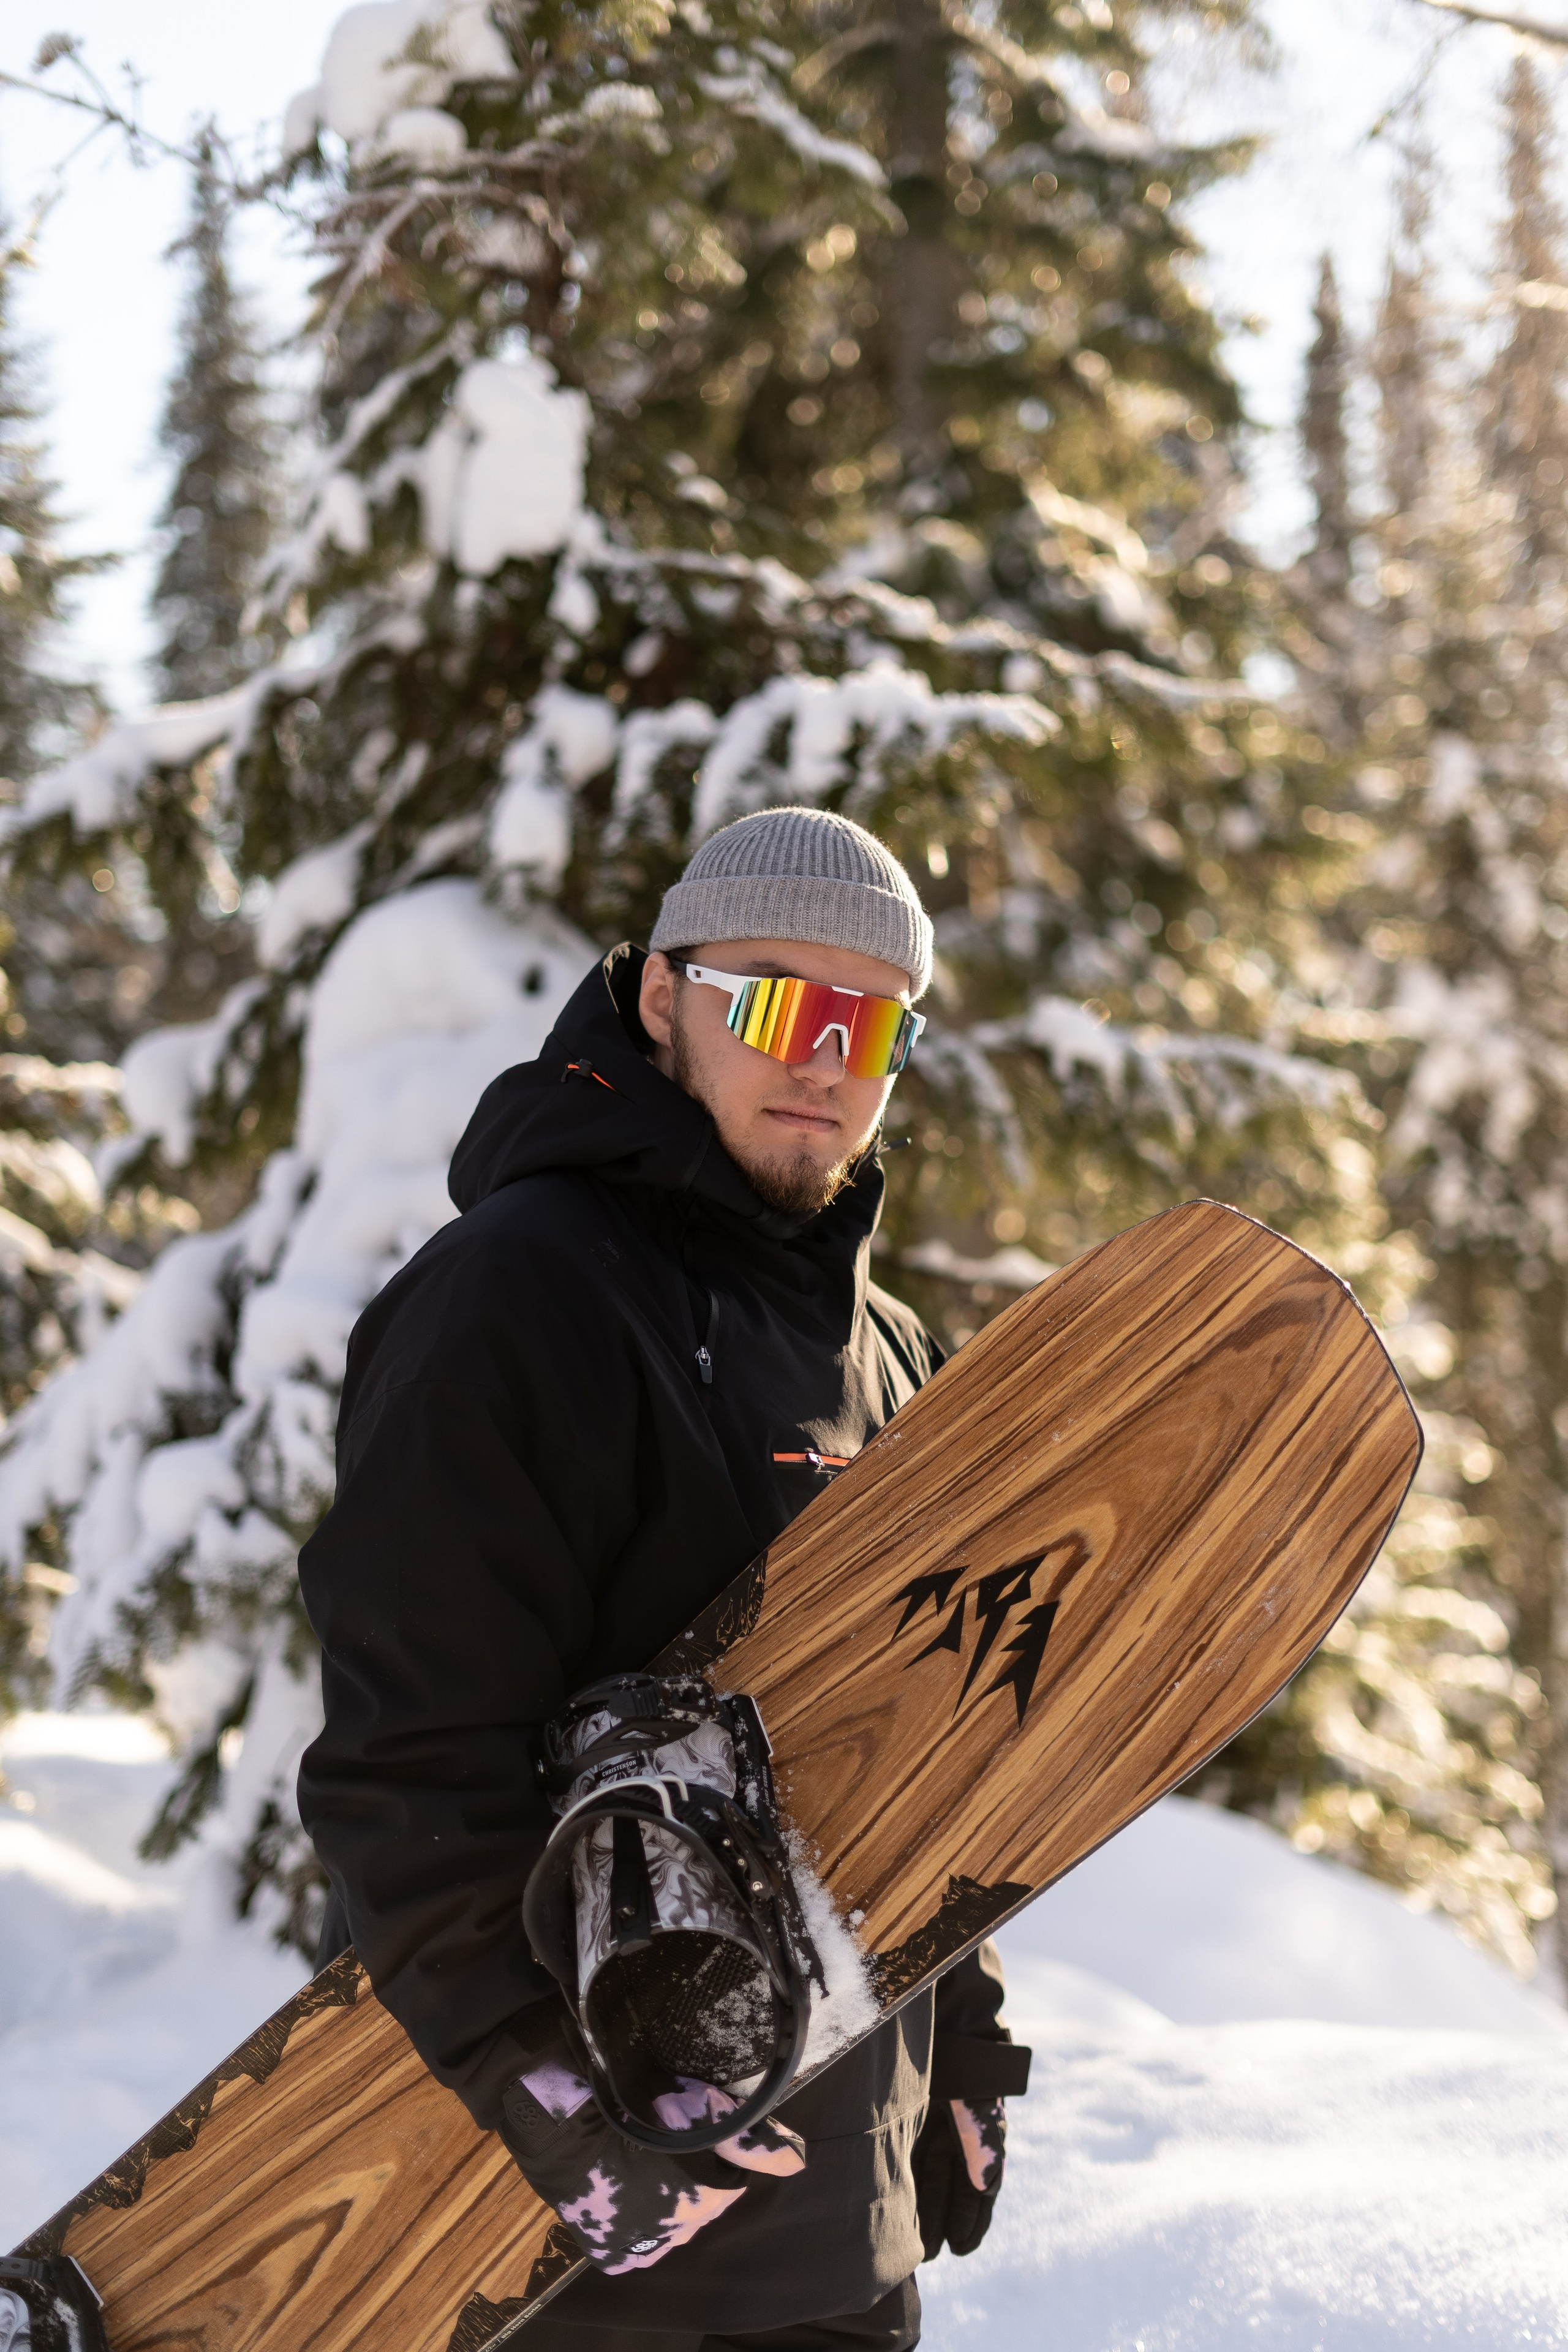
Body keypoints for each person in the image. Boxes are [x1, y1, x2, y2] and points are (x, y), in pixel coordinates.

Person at [297, 806, 1030, 2352]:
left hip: (843, 2234)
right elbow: (405, 1769)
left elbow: (915, 1734)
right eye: (775, 1002)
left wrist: (961, 2038)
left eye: (871, 1021)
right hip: (592, 2266)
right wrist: (550, 2103)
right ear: (657, 999)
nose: (825, 1058)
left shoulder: (885, 1349)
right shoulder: (514, 1296)